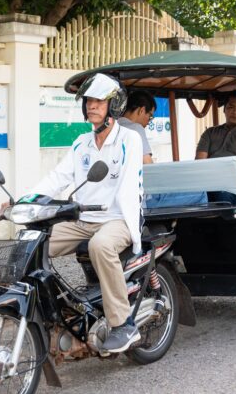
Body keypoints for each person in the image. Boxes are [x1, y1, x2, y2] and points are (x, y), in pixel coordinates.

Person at [23, 73, 144, 353]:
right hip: (83, 219)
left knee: (100, 245)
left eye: (98, 101)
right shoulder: (81, 143)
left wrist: (102, 208)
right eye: (89, 100)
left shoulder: (130, 140)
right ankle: (49, 311)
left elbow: (127, 188)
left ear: (114, 105)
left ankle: (123, 324)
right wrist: (26, 202)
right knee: (31, 241)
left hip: (117, 219)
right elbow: (57, 177)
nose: (91, 105)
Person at [195, 96, 236, 162]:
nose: (235, 112)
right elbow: (200, 161)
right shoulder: (210, 132)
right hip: (209, 170)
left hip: (235, 171)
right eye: (231, 107)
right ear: (224, 110)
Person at [118, 89, 157, 165]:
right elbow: (147, 163)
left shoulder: (113, 126)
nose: (148, 122)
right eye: (150, 116)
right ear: (141, 110)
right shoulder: (136, 129)